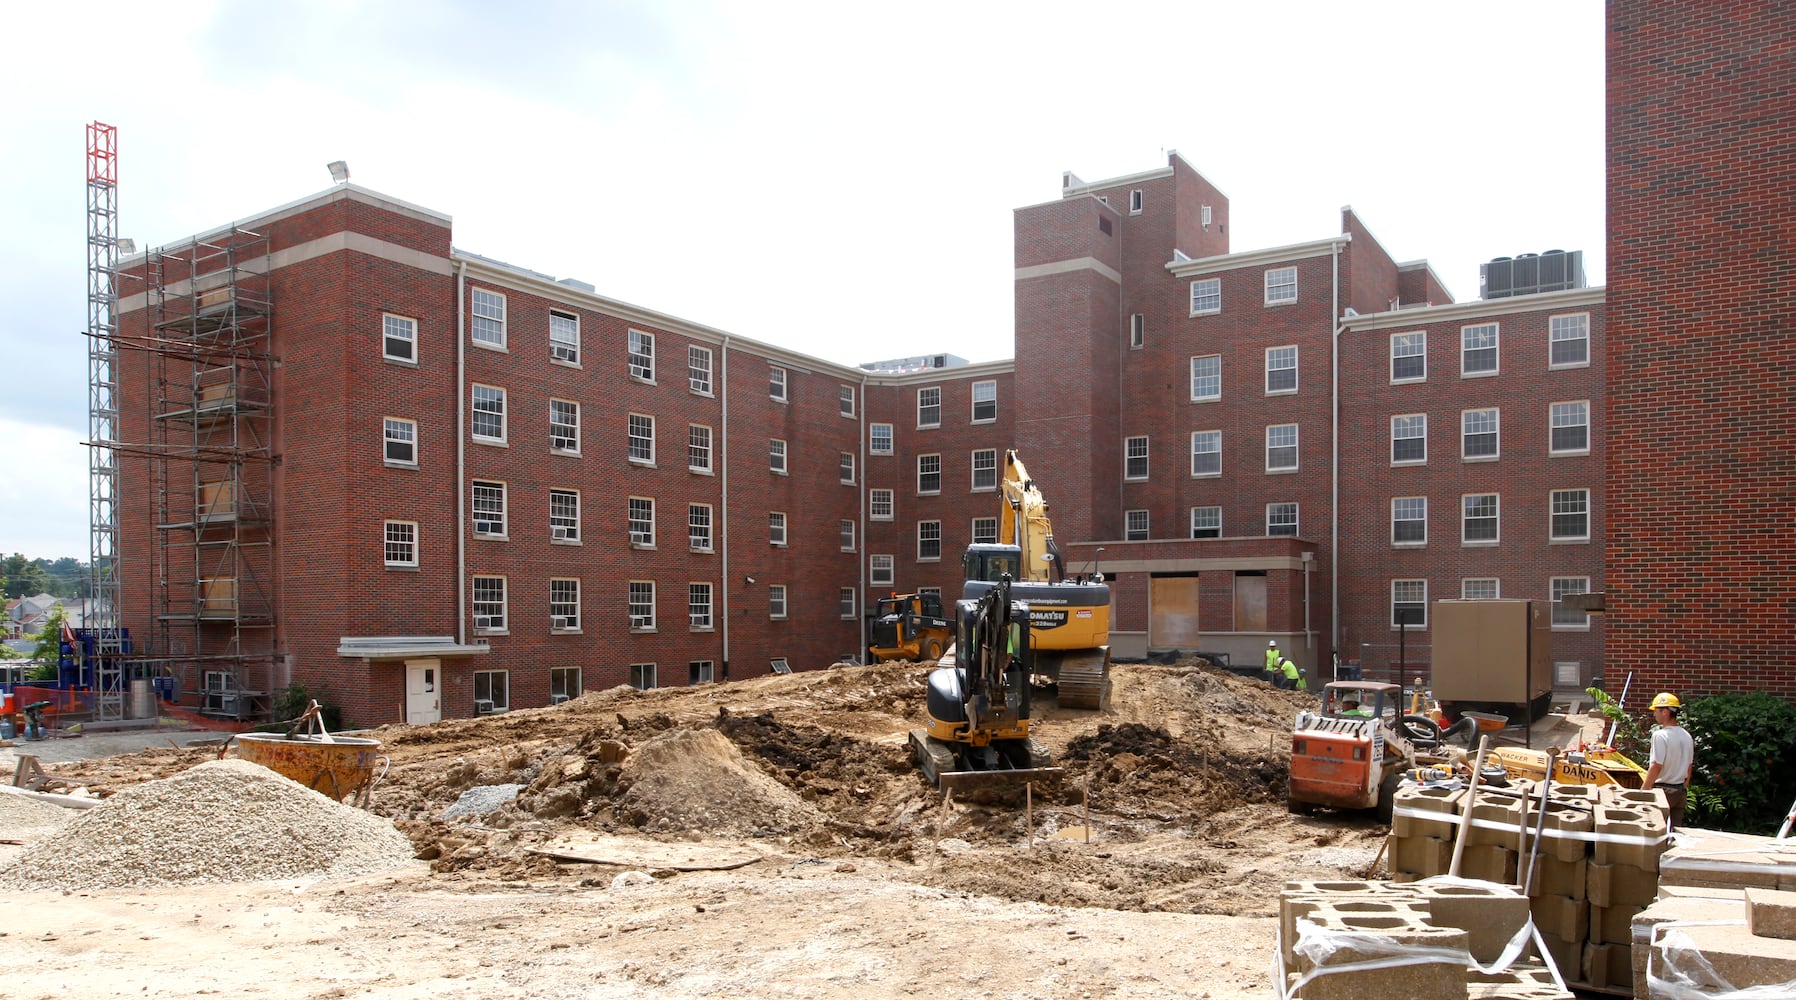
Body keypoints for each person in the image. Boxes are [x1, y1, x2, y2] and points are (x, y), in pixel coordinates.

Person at [1643, 692, 1694, 830]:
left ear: (1665, 712)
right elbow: (1689, 767)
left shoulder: (1660, 736)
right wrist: (1683, 787)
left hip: (1663, 792)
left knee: (1656, 833)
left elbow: (1656, 766)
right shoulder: (1686, 735)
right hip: (1680, 792)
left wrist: (1644, 790)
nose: (1654, 715)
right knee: (1675, 834)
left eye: (1656, 711)